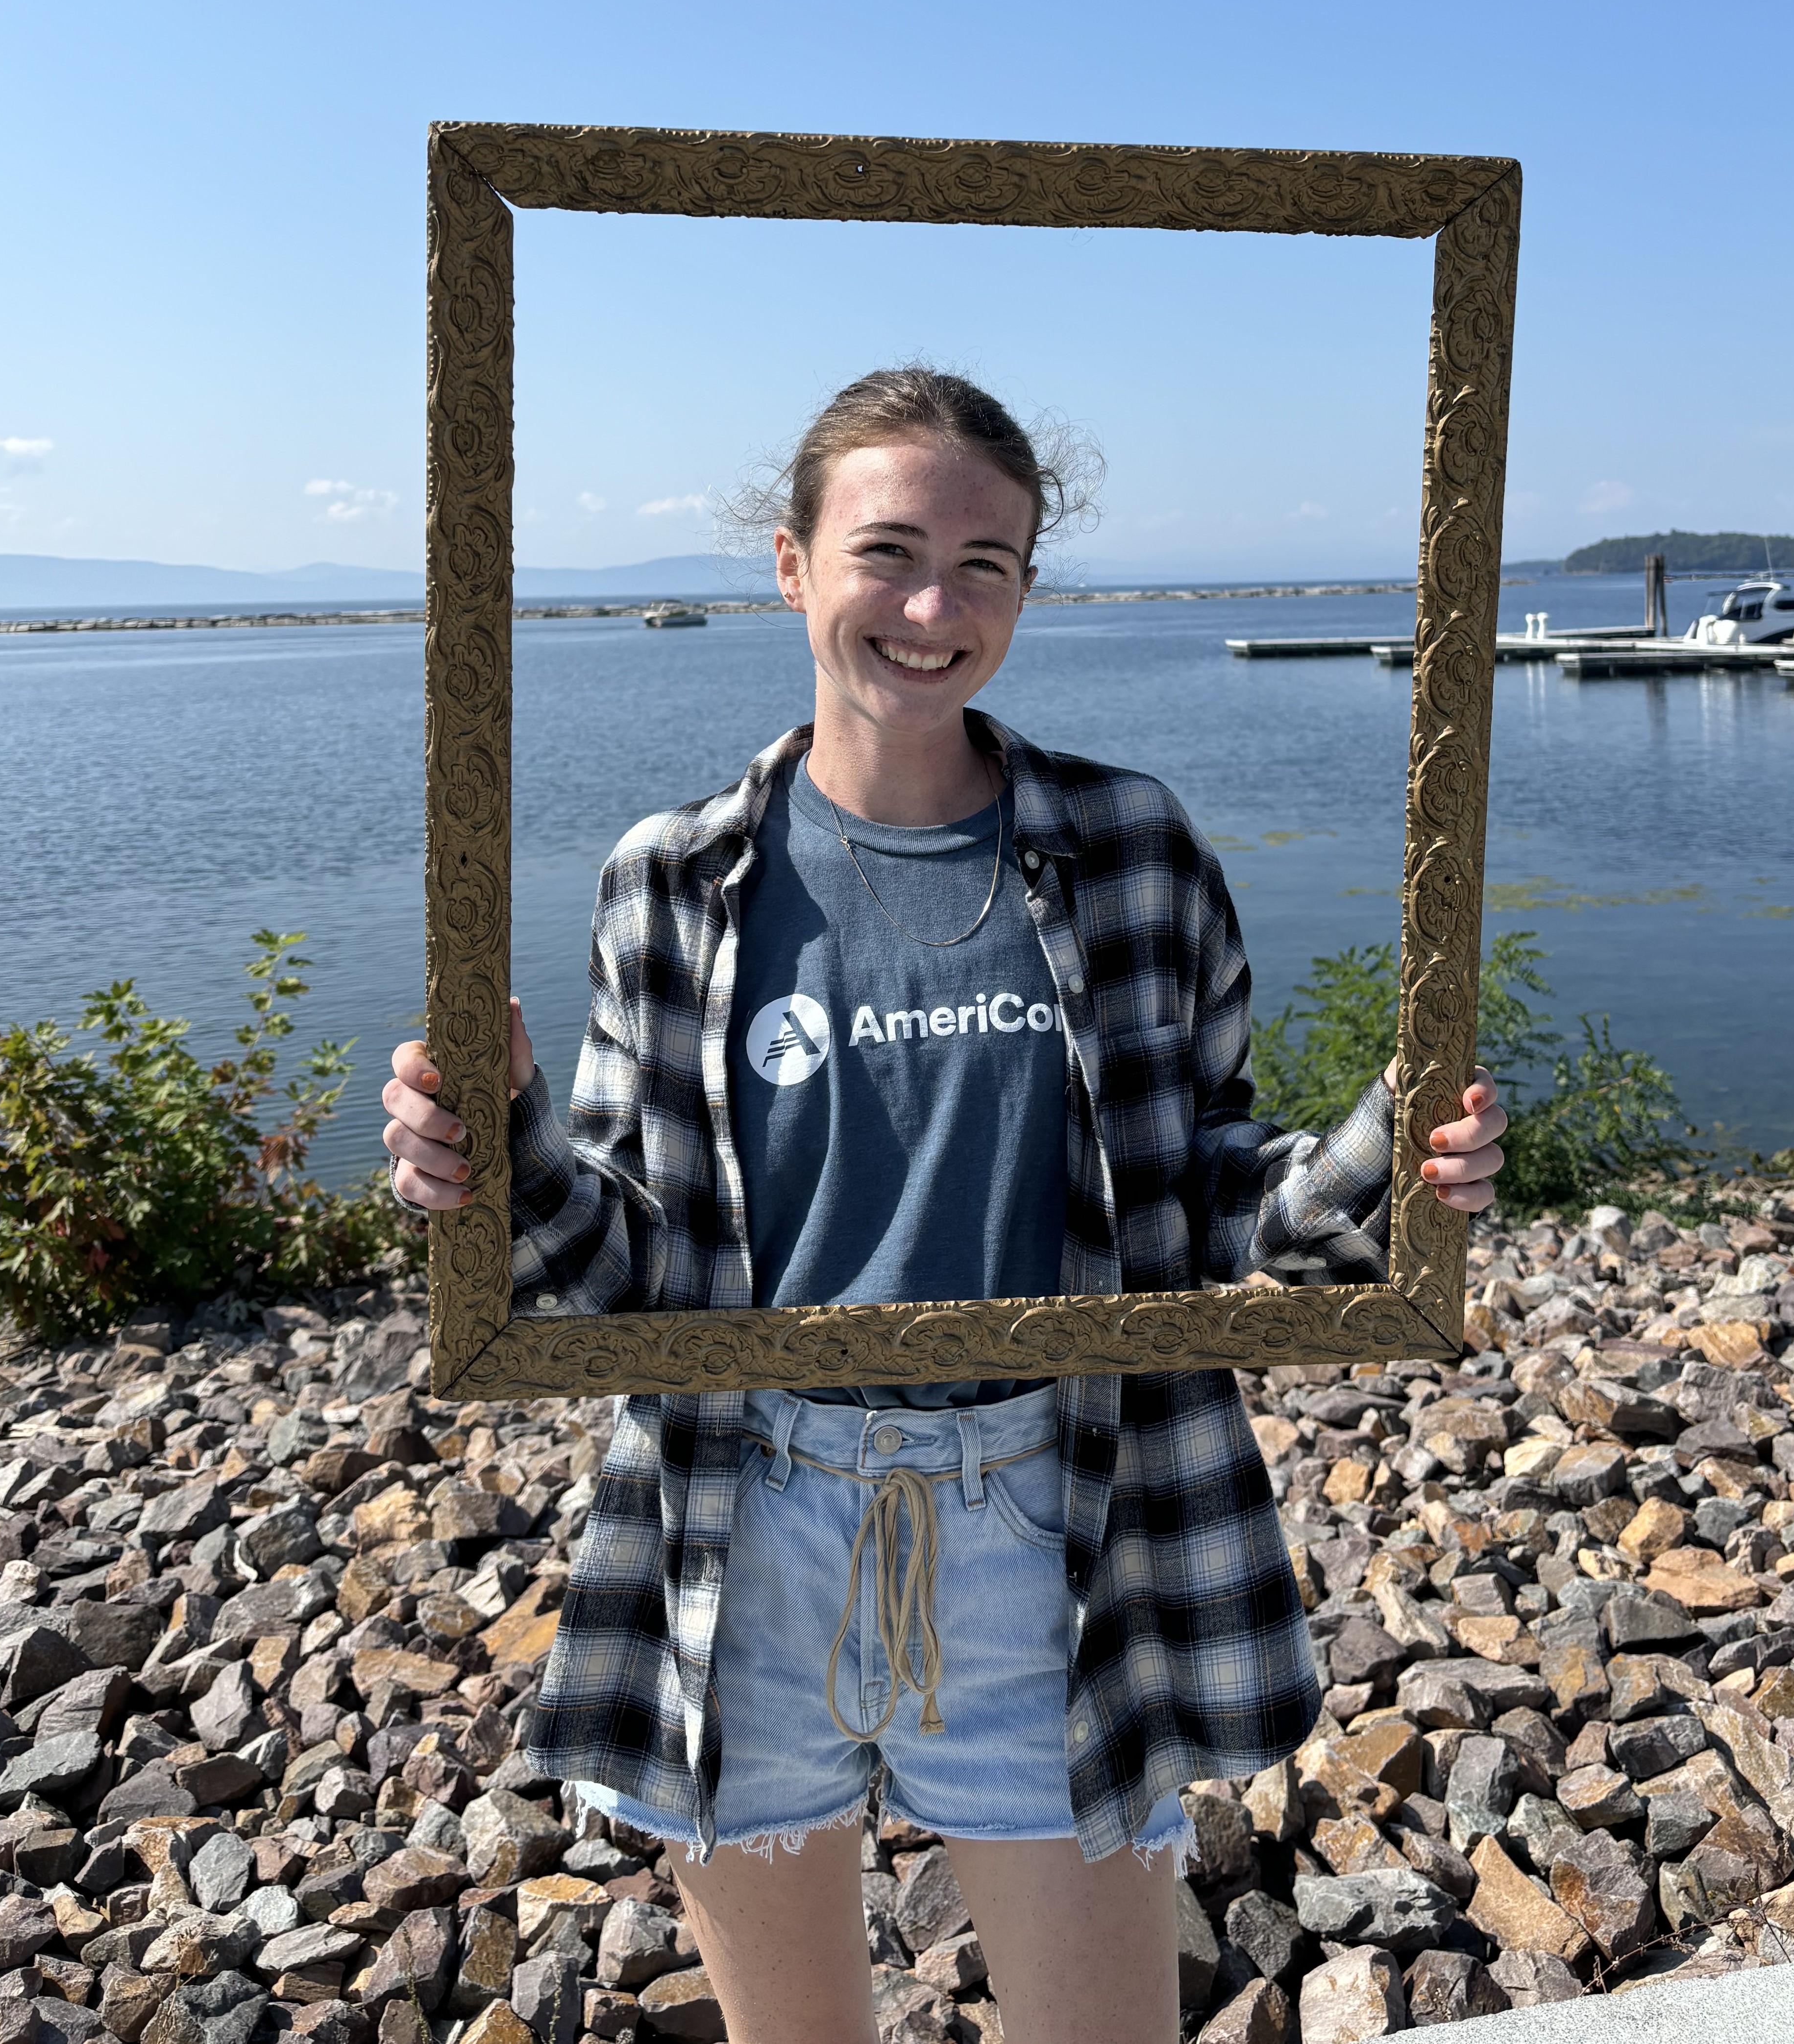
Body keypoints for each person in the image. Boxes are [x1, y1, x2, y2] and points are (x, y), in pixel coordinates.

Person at [383, 368, 1505, 2044]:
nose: (929, 607)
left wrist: (1395, 1161)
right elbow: (616, 1262)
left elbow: (1198, 1203)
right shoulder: (671, 879)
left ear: (1028, 589)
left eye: (983, 564)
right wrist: (495, 1160)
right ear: (790, 564)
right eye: (885, 550)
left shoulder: (1131, 847)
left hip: (1051, 1522)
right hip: (741, 1519)